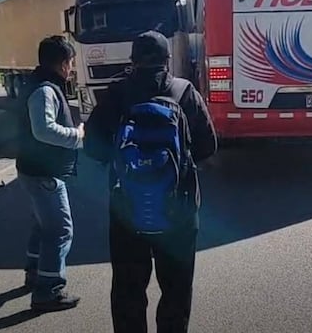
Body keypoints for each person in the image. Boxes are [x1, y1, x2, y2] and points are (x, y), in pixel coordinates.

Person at [84, 30, 217, 333]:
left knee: (129, 290)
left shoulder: (116, 94)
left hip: (127, 209)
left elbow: (92, 147)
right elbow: (208, 146)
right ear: (167, 60)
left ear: (132, 61)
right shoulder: (184, 93)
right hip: (178, 209)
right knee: (176, 289)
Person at [16, 35, 85, 312]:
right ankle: (48, 290)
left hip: (34, 170)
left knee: (42, 225)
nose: (71, 68)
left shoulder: (39, 84)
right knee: (60, 229)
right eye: (70, 62)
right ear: (61, 64)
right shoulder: (45, 90)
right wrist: (76, 135)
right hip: (44, 173)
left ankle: (34, 274)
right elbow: (43, 129)